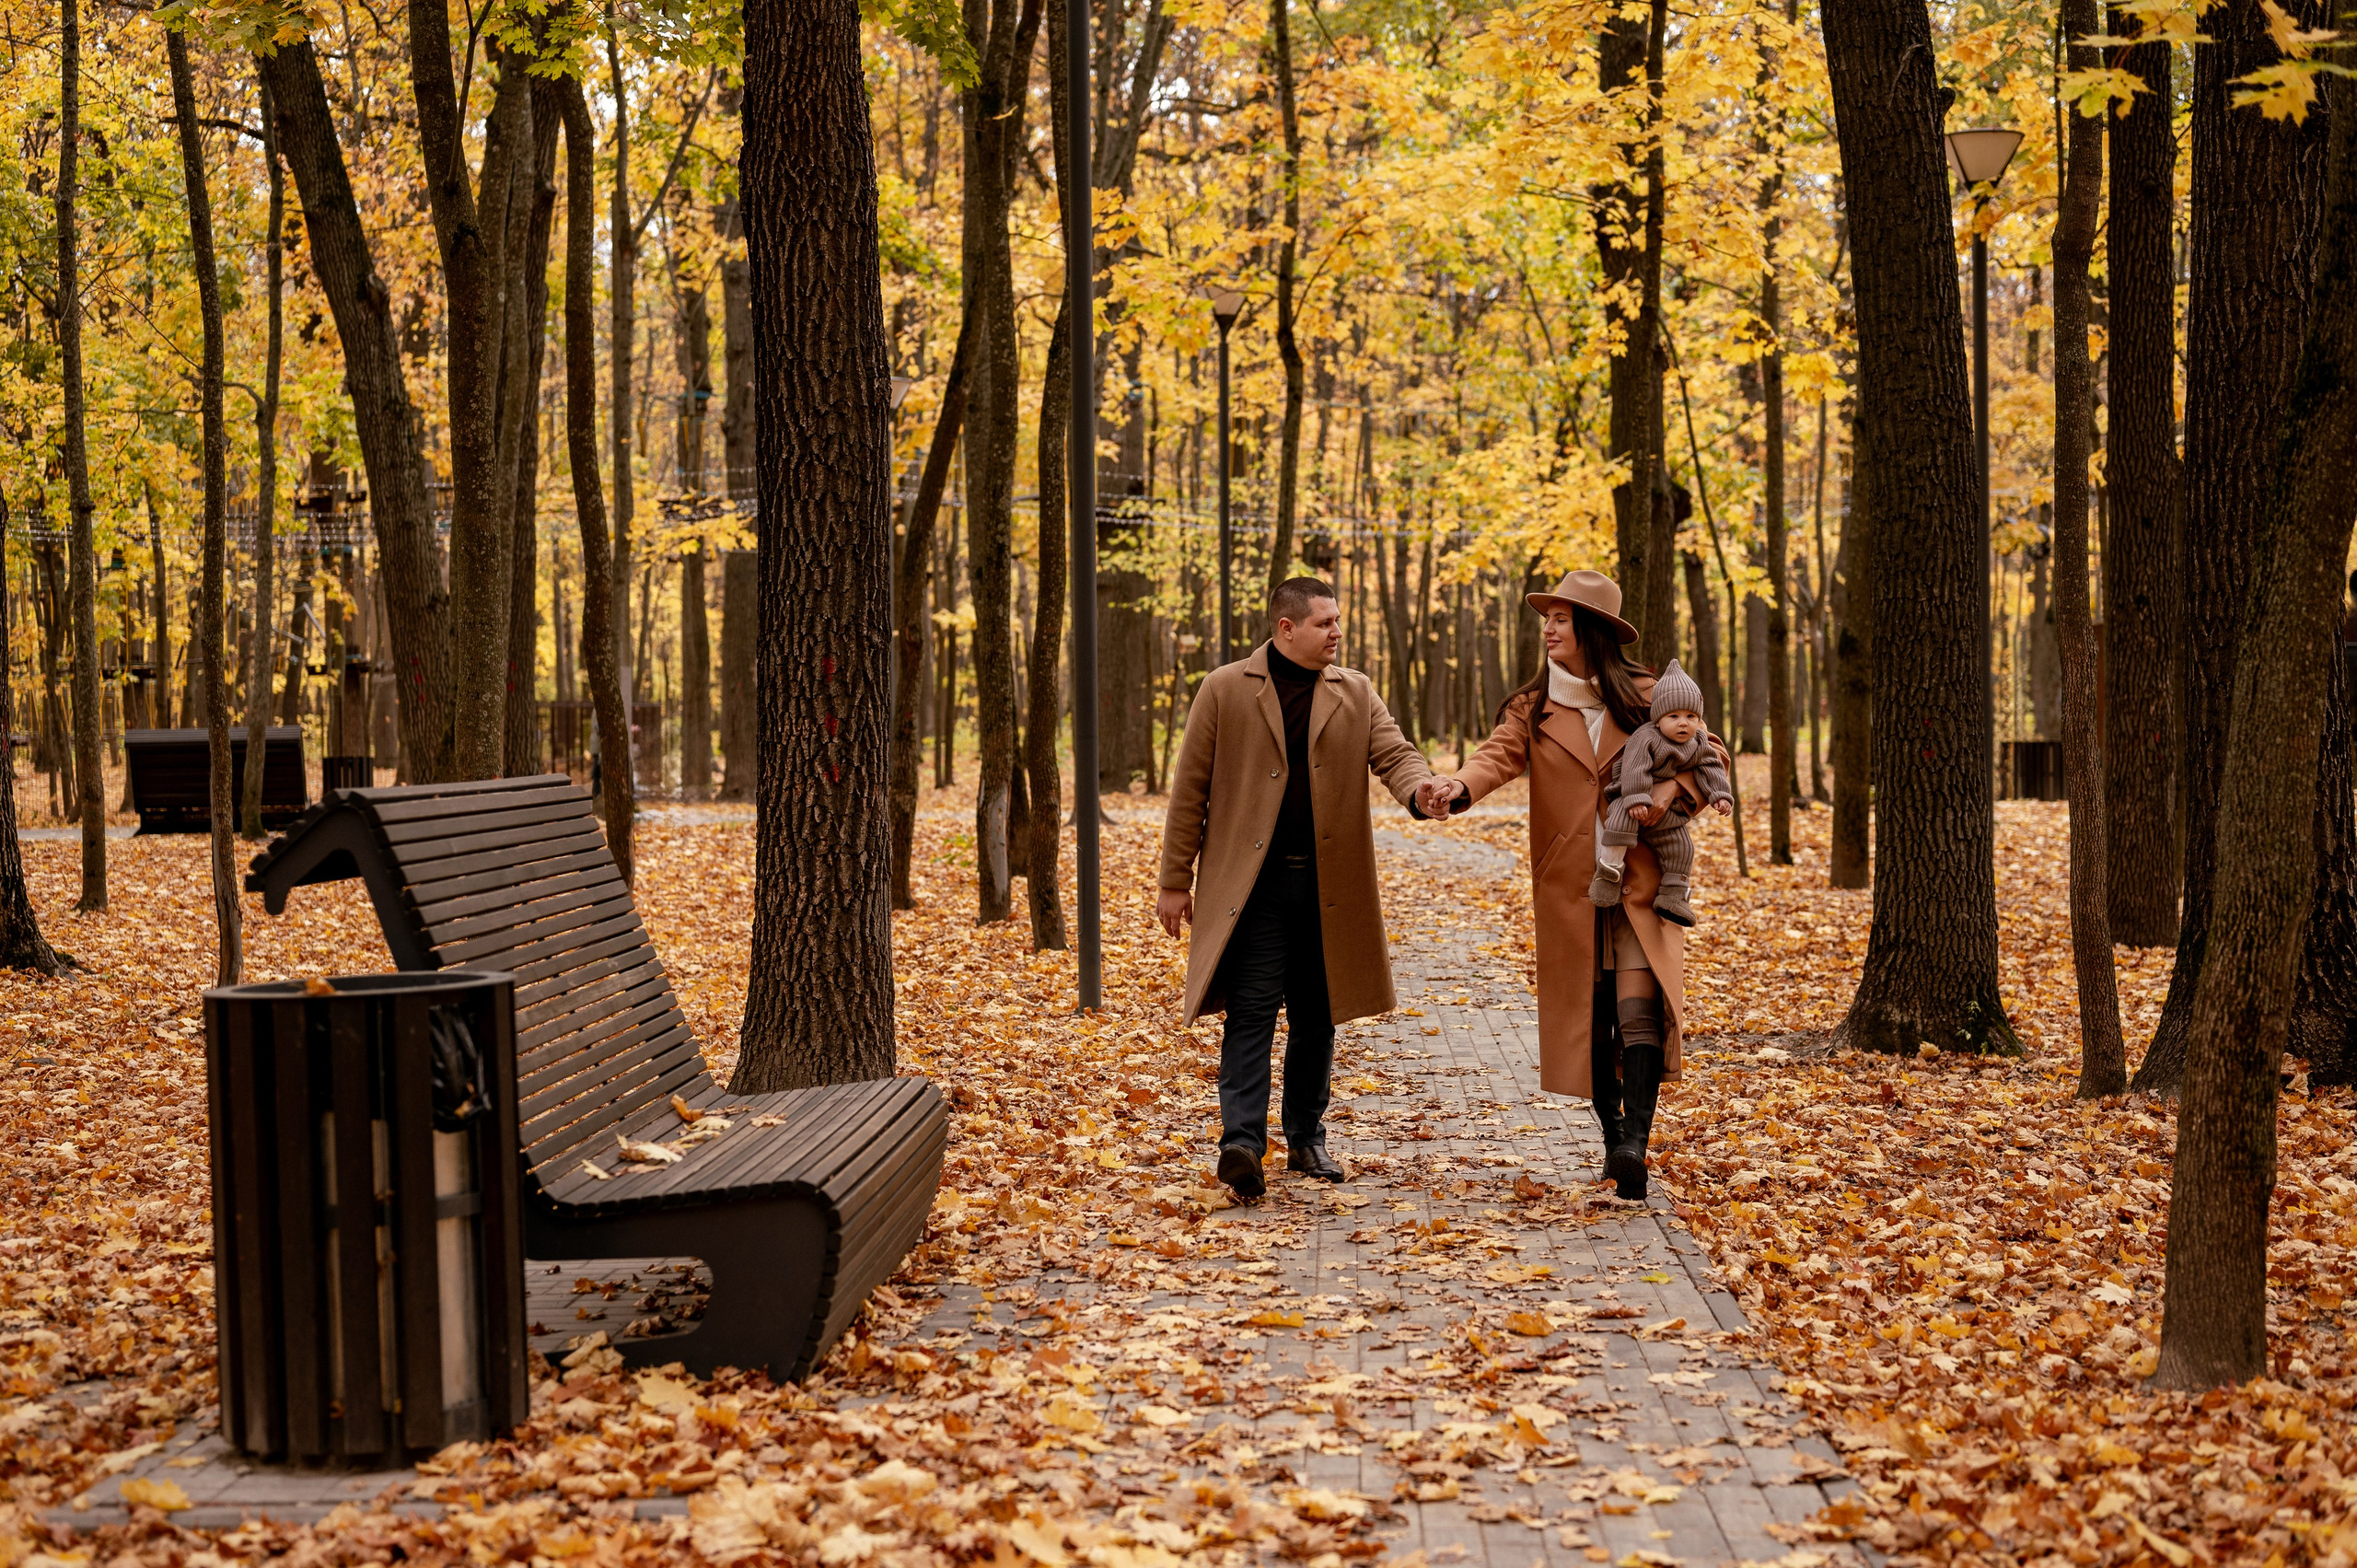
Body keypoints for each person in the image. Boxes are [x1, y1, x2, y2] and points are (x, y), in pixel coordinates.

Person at [1412, 570, 1727, 1201]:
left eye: (1562, 619)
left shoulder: (1647, 694)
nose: (1549, 630)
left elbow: (1708, 751)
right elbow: (1497, 755)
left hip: (1642, 879)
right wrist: (1458, 785)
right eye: (1547, 620)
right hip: (1572, 886)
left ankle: (1634, 1143)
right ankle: (1614, 1139)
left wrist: (1673, 791)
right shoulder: (1534, 707)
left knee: (1639, 1008)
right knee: (1594, 1016)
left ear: (1593, 629)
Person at [1159, 576, 1440, 1200]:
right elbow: (1190, 790)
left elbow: (1396, 755)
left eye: (1338, 620)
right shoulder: (1224, 689)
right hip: (1252, 889)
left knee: (1317, 1018)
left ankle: (1307, 1139)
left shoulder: (1355, 691)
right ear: (1286, 628)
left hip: (1327, 888)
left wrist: (1420, 790)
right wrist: (1175, 880)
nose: (1337, 632)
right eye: (1324, 622)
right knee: (1252, 1013)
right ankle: (1241, 1144)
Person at [1591, 659, 1733, 928]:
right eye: (1674, 717)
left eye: (1691, 717)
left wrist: (1720, 795)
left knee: (1682, 847)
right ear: (1658, 719)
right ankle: (1609, 873)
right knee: (1618, 823)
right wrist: (1636, 798)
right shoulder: (1646, 737)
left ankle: (1673, 895)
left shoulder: (1698, 742)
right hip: (1630, 798)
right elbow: (1634, 768)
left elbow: (1712, 766)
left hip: (1668, 812)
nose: (1683, 724)